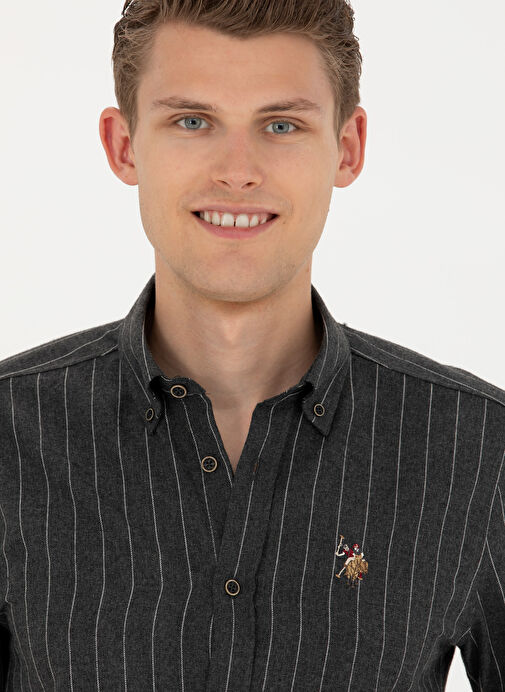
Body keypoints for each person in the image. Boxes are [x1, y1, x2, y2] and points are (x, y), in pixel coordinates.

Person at [0, 0, 503, 689]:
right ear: (123, 146)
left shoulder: (476, 450)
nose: (237, 172)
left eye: (280, 125)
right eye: (192, 121)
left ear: (348, 147)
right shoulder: (9, 437)